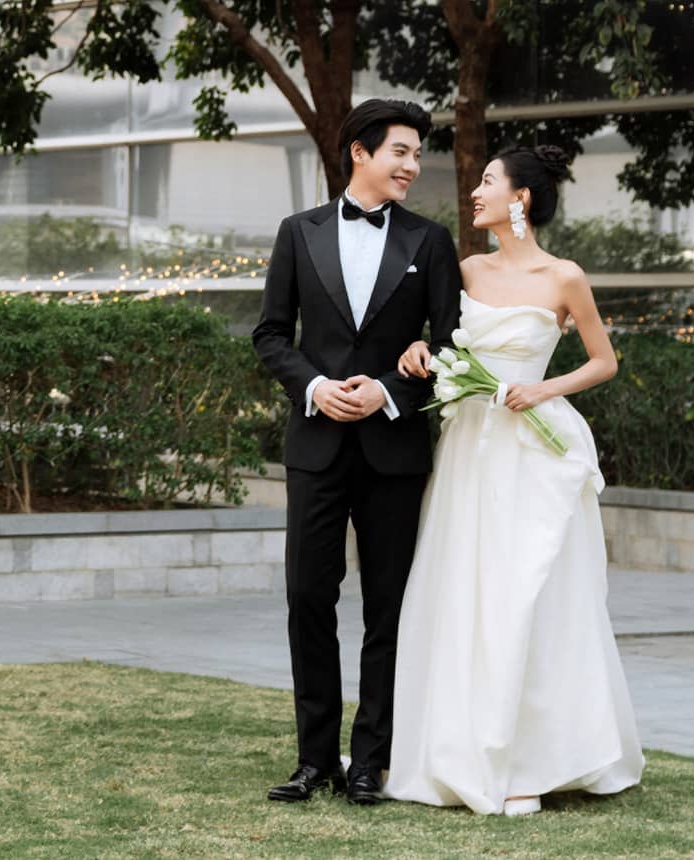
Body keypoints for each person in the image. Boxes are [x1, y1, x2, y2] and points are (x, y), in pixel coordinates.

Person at [384, 145, 645, 816]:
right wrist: (418, 349)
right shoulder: (466, 269)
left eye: (488, 181)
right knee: (466, 591)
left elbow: (604, 361)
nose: (475, 192)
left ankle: (532, 760)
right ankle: (460, 750)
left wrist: (541, 388)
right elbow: (442, 344)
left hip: (533, 450)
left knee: (527, 592)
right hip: (470, 448)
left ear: (520, 197)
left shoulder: (564, 277)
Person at [252, 99, 462, 806]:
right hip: (315, 446)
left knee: (389, 607)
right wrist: (315, 386)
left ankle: (372, 760)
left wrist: (391, 392)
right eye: (401, 151)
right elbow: (270, 334)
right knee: (308, 598)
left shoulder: (431, 241)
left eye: (418, 155)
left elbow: (451, 344)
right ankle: (315, 761)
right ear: (360, 153)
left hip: (394, 451)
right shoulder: (298, 231)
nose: (413, 166)